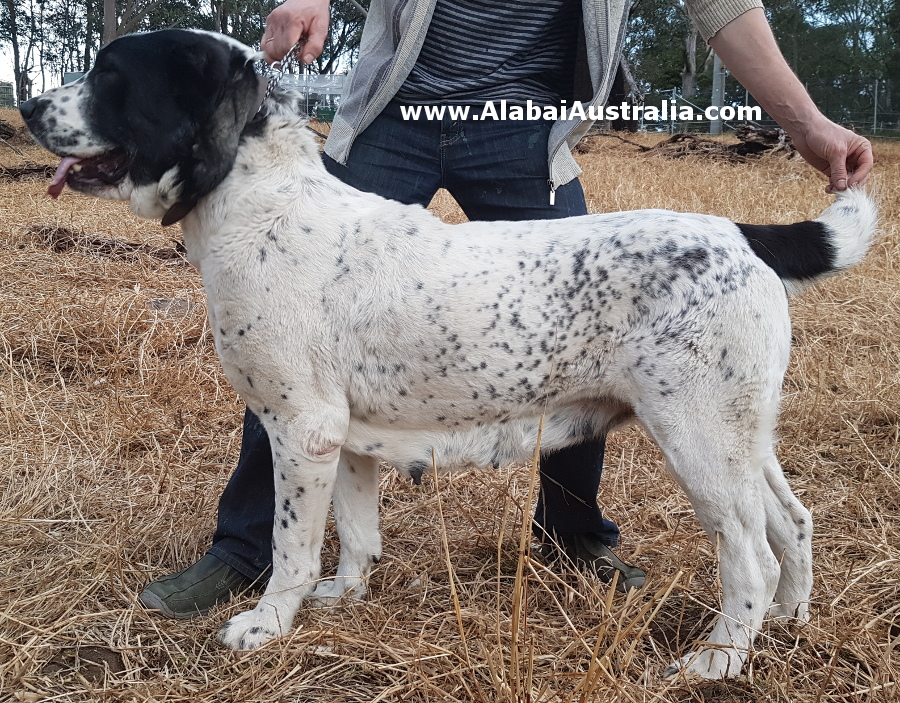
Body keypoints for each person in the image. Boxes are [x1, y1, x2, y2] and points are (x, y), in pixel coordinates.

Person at [139, 0, 873, 618]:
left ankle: (573, 535)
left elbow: (720, 6)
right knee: (288, 335)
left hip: (524, 120)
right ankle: (245, 549)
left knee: (588, 332)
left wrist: (806, 123)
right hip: (398, 107)